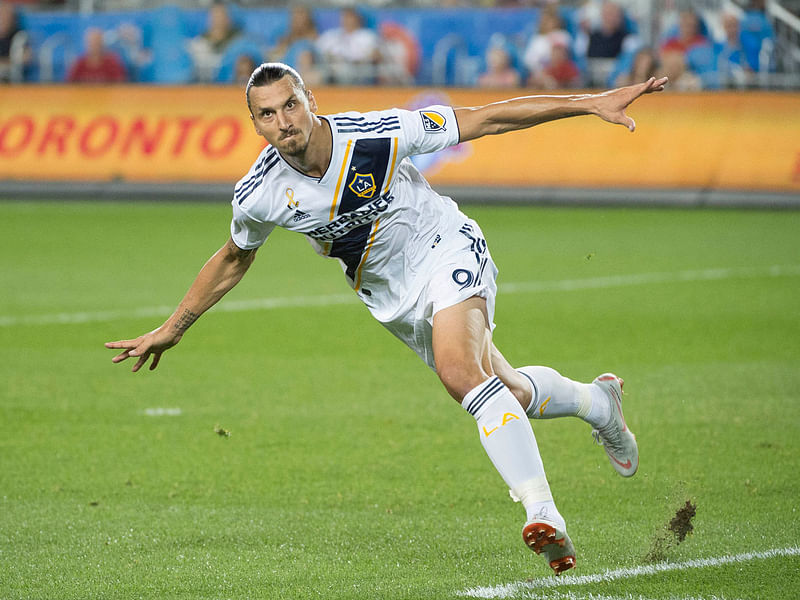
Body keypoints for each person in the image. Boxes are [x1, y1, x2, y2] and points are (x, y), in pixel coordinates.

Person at [105, 62, 667, 575]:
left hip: (445, 247)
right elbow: (233, 257)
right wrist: (172, 328)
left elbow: (488, 119)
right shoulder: (259, 194)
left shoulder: (377, 134)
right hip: (392, 300)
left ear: (311, 100)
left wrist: (591, 102)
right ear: (254, 125)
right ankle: (599, 404)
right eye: (268, 113)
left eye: (290, 104)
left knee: (460, 375)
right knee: (507, 394)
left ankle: (544, 515)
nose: (284, 120)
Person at [315, 7, 379, 85]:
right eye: (345, 17)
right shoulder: (331, 35)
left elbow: (376, 54)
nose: (347, 20)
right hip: (335, 70)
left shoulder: (367, 36)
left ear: (357, 19)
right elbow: (317, 50)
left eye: (350, 17)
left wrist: (361, 60)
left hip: (360, 70)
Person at [187, 1, 242, 83]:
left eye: (221, 14)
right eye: (215, 15)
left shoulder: (239, 42)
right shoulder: (199, 43)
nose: (218, 19)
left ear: (229, 18)